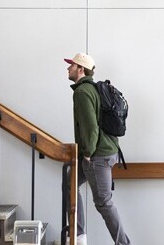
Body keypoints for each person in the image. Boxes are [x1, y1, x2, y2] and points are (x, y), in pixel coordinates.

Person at [62, 52, 130, 245]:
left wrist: (88, 154)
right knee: (70, 184)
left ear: (81, 69)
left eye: (72, 65)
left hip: (97, 155)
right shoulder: (94, 88)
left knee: (104, 203)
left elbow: (90, 127)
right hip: (107, 151)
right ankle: (78, 235)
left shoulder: (83, 92)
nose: (68, 68)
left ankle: (122, 243)